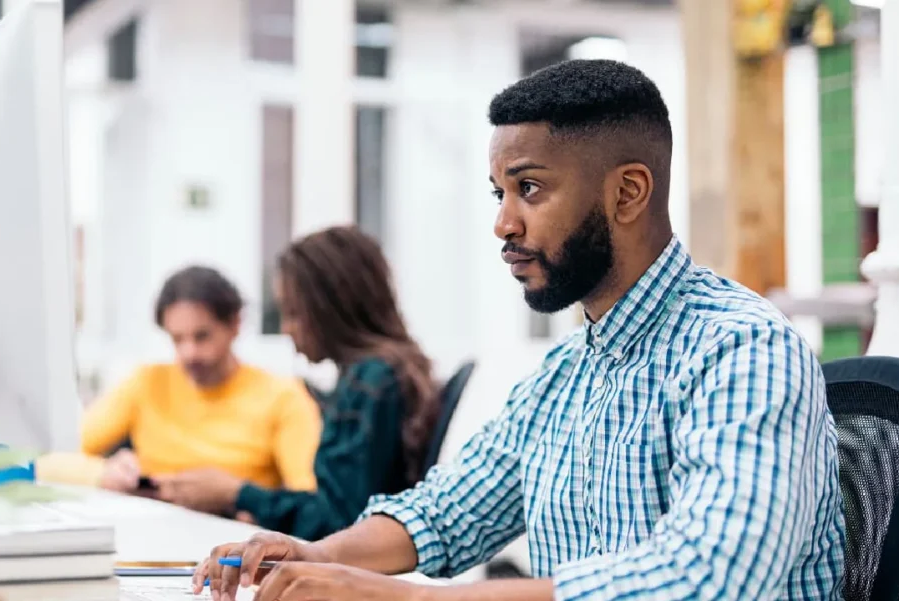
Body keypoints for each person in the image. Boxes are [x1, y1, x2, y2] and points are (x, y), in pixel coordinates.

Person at [195, 60, 845, 601]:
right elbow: (450, 509)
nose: (503, 223)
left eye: (528, 188)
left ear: (627, 194)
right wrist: (313, 554)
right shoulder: (565, 372)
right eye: (497, 193)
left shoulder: (743, 348)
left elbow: (711, 574)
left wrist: (415, 597)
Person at [152, 226, 441, 541]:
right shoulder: (381, 375)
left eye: (293, 313)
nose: (287, 329)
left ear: (330, 310)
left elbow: (338, 523)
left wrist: (238, 494)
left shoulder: (372, 383)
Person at [78, 265, 322, 497]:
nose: (189, 353)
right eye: (177, 339)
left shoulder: (283, 396)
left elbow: (308, 496)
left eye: (202, 336)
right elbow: (56, 454)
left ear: (235, 324)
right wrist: (102, 473)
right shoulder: (146, 383)